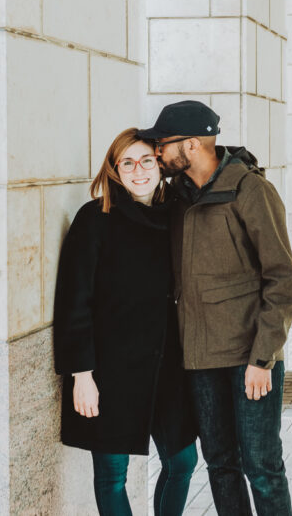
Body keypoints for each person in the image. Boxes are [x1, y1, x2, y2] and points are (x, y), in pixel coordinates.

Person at [138, 101, 292, 516]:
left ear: (191, 145)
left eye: (162, 144)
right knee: (221, 465)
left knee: (262, 466)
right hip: (200, 361)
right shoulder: (174, 198)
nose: (157, 152)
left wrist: (262, 358)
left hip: (250, 360)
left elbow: (282, 280)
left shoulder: (250, 191)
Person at [53, 128, 198, 515]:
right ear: (115, 170)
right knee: (112, 475)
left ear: (159, 164)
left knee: (183, 461)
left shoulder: (177, 217)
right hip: (109, 370)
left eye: (147, 160)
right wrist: (81, 375)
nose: (139, 170)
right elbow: (73, 301)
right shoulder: (96, 219)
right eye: (128, 163)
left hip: (166, 366)